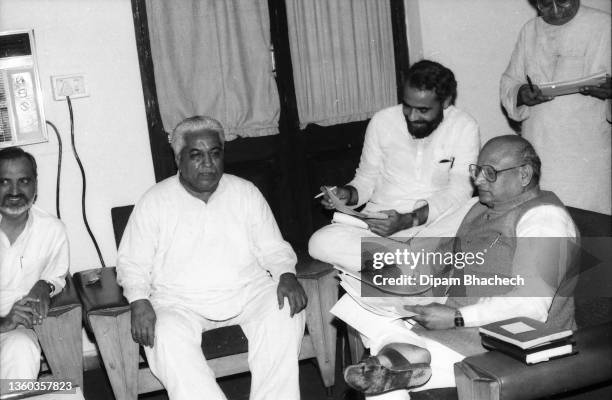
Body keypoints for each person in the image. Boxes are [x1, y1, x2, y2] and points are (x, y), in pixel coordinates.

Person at [337, 136, 578, 399]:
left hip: (509, 343)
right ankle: (401, 356)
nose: (478, 180)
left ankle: (401, 355)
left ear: (524, 174)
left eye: (490, 172)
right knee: (361, 308)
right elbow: (447, 262)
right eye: (477, 170)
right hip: (458, 329)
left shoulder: (545, 219)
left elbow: (531, 306)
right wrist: (402, 287)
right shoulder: (480, 208)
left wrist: (456, 318)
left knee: (381, 386)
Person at [116, 116, 307, 400]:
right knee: (165, 334)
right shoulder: (155, 201)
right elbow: (132, 263)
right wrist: (139, 300)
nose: (208, 163)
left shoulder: (245, 192)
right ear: (178, 159)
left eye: (214, 154)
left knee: (285, 310)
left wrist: (287, 274)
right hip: (179, 302)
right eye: (196, 155)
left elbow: (274, 248)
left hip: (247, 292)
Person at [309, 60, 480, 272]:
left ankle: (397, 262)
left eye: (423, 110)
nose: (412, 117)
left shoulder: (464, 126)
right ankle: (413, 262)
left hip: (433, 222)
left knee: (473, 212)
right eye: (407, 107)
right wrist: (347, 194)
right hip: (380, 224)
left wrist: (409, 220)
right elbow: (365, 179)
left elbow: (460, 191)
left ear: (445, 101)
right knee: (319, 242)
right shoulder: (383, 121)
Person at [500, 0, 611, 215]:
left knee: (591, 228)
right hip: (542, 145)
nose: (557, 11)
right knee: (546, 224)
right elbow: (509, 81)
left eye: (562, 1)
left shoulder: (605, 26)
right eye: (545, 4)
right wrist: (521, 94)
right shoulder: (530, 31)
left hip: (588, 153)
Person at [0, 147, 69, 380]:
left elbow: (56, 276)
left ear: (35, 185)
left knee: (22, 348)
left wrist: (44, 286)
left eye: (24, 181)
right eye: (4, 182)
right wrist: (4, 321)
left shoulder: (52, 230)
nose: (15, 191)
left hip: (16, 330)